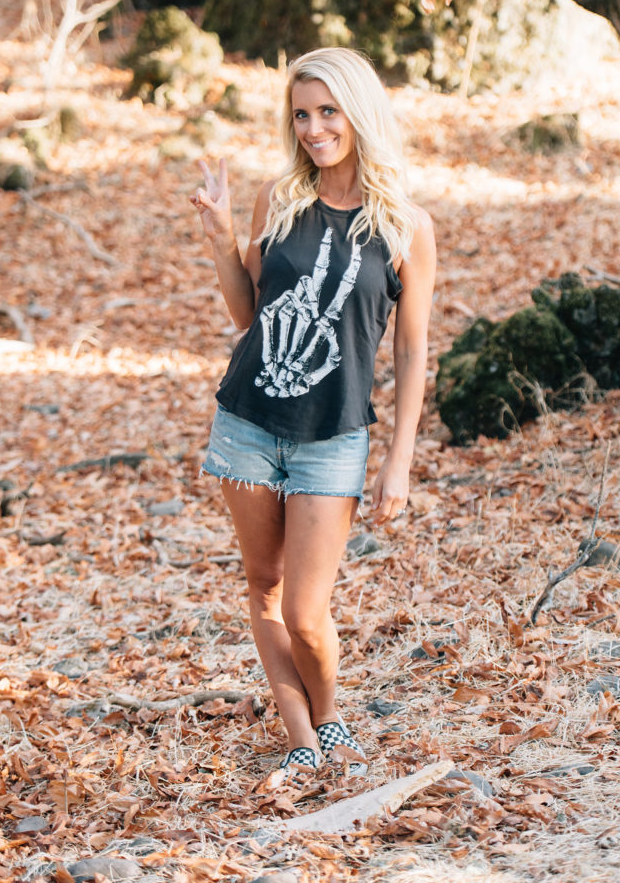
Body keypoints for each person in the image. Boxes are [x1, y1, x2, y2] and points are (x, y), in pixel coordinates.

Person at [190, 46, 436, 777]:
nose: (314, 128)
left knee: (304, 611)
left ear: (359, 113)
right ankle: (300, 737)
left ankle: (328, 717)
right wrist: (221, 239)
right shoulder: (280, 199)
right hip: (247, 422)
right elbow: (248, 314)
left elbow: (413, 352)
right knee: (262, 587)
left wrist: (399, 461)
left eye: (329, 111)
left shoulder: (406, 226)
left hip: (333, 436)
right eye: (301, 114)